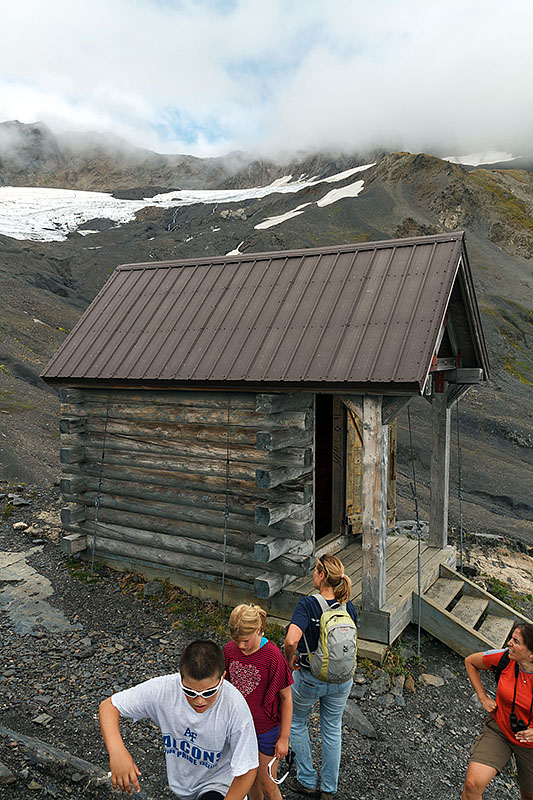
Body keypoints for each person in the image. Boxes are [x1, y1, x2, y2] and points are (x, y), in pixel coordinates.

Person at [99, 639, 258, 800]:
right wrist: (117, 751)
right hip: (183, 786)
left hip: (220, 785)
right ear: (180, 676)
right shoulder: (164, 689)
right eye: (189, 691)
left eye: (209, 693)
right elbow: (109, 706)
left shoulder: (235, 707)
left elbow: (248, 769)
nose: (199, 700)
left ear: (222, 678)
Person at [283, 555, 357, 800]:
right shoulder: (349, 606)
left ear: (322, 575)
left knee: (296, 722)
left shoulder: (308, 605)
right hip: (342, 679)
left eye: (315, 571)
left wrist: (290, 659)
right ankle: (328, 788)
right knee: (332, 728)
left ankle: (306, 780)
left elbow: (291, 640)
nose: (312, 575)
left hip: (310, 677)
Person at [224, 603, 293, 800]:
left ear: (258, 629)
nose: (241, 646)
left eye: (245, 640)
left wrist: (284, 738)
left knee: (268, 785)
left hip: (266, 730)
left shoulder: (273, 656)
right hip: (241, 730)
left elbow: (286, 698)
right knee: (249, 782)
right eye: (236, 641)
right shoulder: (230, 650)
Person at [462, 623, 533, 800]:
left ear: (531, 654)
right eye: (511, 638)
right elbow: (470, 661)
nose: (509, 643)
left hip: (530, 745)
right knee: (472, 785)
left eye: (516, 641)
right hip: (500, 729)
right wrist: (483, 698)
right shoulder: (505, 658)